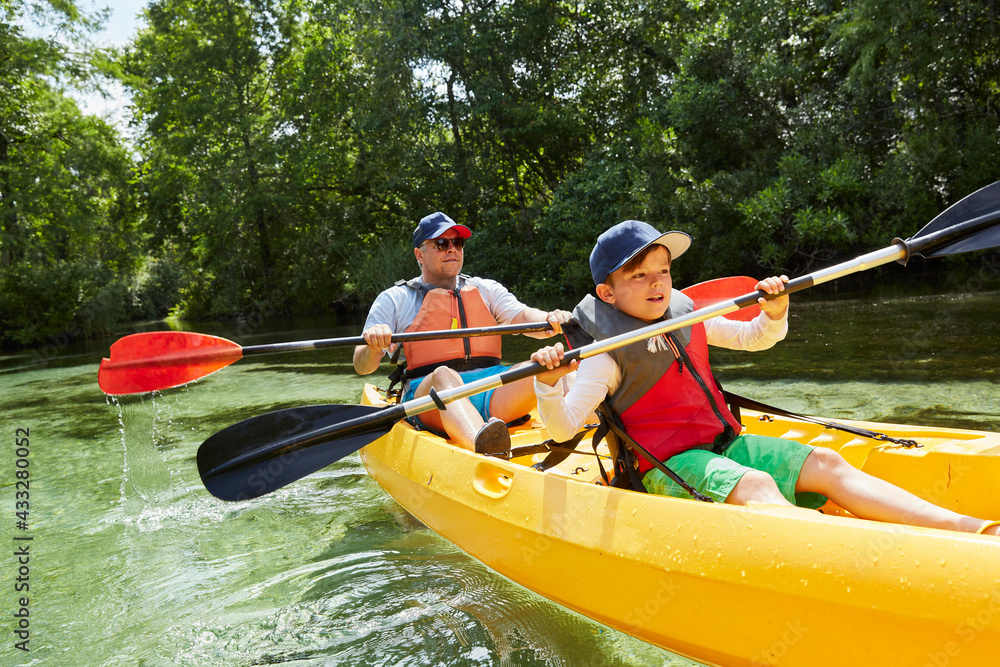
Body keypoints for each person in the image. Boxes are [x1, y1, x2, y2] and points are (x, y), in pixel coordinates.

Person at [528, 219, 1000, 537]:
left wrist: (775, 312)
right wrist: (549, 383)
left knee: (828, 463)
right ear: (606, 293)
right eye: (639, 276)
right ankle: (849, 554)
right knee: (755, 486)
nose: (657, 283)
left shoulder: (686, 316)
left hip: (724, 445)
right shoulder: (602, 356)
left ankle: (966, 529)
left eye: (664, 272)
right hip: (670, 467)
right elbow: (563, 428)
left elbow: (754, 338)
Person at [354, 212, 571, 454]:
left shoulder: (486, 289)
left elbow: (524, 317)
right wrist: (372, 344)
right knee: (444, 376)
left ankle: (584, 425)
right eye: (441, 243)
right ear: (419, 254)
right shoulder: (396, 299)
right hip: (432, 400)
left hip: (493, 389)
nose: (451, 249)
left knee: (552, 365)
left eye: (457, 243)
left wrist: (550, 318)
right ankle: (484, 443)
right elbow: (362, 366)